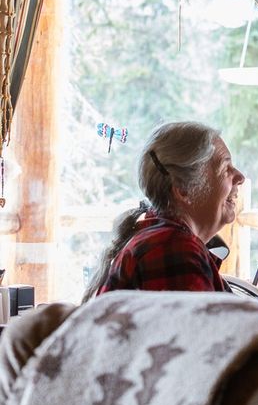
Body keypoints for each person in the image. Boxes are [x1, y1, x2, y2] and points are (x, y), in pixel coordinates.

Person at [83, 121, 245, 299]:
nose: (240, 177)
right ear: (183, 189)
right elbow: (200, 326)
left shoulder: (164, 240)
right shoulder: (173, 250)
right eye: (224, 169)